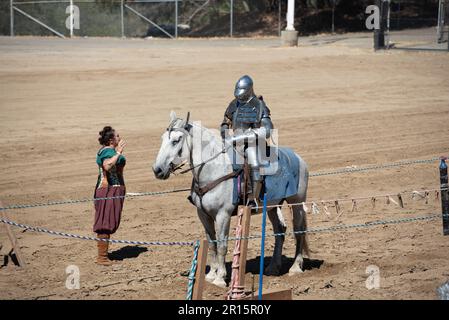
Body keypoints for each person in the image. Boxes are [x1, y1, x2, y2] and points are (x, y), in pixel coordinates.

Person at [220, 75, 274, 204]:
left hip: (253, 143)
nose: (239, 96)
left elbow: (268, 129)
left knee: (254, 164)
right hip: (232, 142)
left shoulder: (259, 105)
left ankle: (253, 199)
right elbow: (225, 123)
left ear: (249, 90)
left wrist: (241, 137)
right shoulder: (234, 104)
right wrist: (225, 134)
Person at [94, 126, 126, 266]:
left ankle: (103, 255)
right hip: (108, 191)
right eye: (117, 136)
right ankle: (102, 257)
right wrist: (118, 153)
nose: (119, 138)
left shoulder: (109, 150)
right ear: (112, 140)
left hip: (113, 190)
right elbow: (107, 166)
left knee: (108, 221)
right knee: (105, 222)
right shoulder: (108, 152)